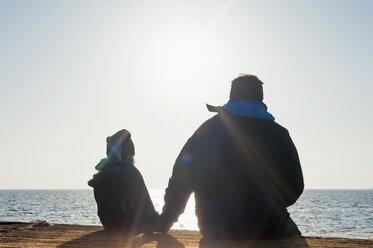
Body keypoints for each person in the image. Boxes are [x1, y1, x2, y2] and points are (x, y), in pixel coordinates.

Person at [155, 74, 304, 239]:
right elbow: (295, 186)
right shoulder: (279, 133)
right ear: (261, 98)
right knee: (296, 235)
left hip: (214, 227)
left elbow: (180, 179)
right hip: (268, 227)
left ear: (232, 96)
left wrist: (166, 220)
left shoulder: (206, 130)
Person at [88, 129, 158, 236]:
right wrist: (156, 222)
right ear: (128, 154)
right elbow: (144, 203)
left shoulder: (102, 172)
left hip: (109, 225)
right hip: (128, 226)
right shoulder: (130, 171)